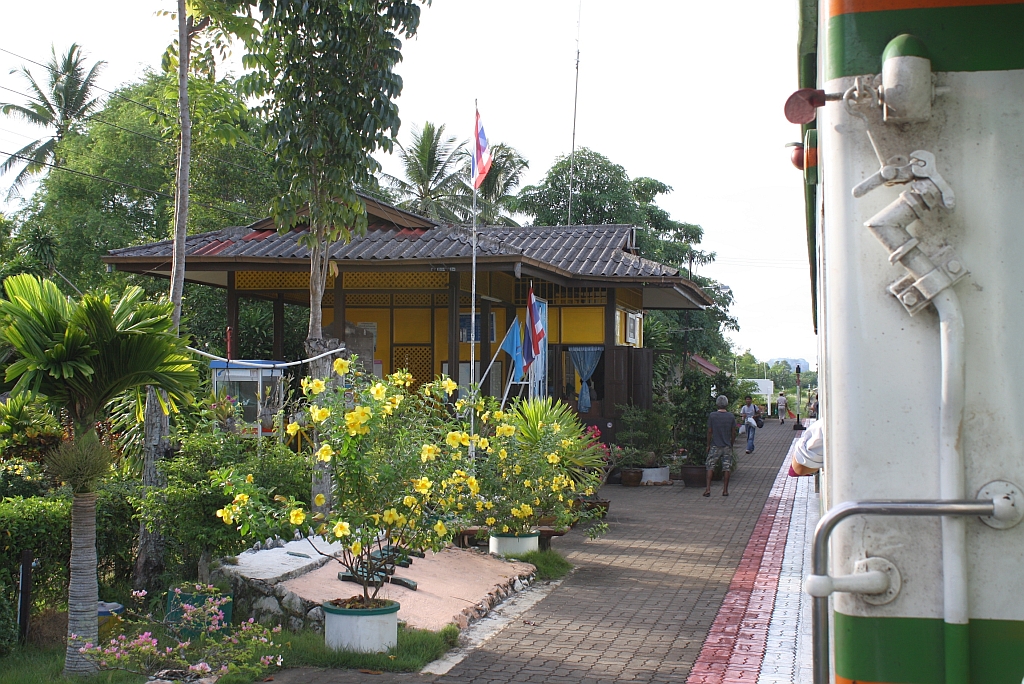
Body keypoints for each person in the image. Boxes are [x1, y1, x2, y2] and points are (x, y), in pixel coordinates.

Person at [704, 394, 736, 497]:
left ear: (717, 404)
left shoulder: (712, 416)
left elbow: (709, 431)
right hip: (727, 446)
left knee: (710, 466)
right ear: (726, 404)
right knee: (726, 467)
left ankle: (708, 489)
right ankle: (725, 490)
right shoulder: (731, 416)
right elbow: (733, 432)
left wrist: (708, 444)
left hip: (715, 445)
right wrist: (731, 443)